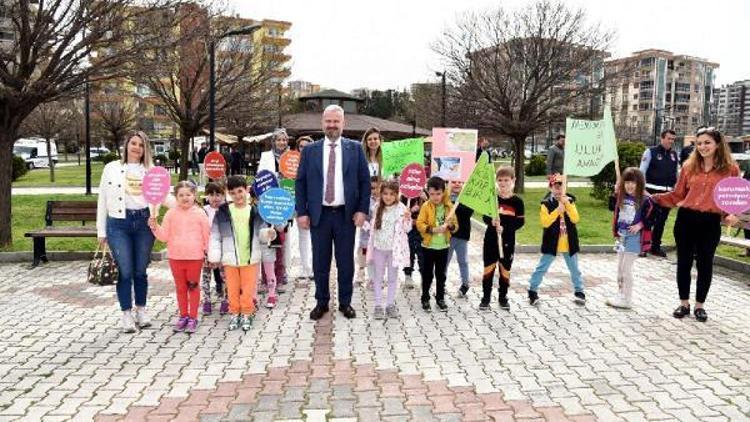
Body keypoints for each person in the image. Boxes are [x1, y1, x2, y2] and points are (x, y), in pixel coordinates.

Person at [652, 127, 740, 322]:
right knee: (683, 262)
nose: (702, 147)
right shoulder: (688, 167)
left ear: (718, 144)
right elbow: (678, 195)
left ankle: (700, 306)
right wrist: (653, 198)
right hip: (686, 219)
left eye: (707, 143)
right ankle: (684, 303)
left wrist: (732, 214)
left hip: (709, 223)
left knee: (705, 264)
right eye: (699, 143)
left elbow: (732, 199)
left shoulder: (731, 169)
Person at [295, 105, 371, 320]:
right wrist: (302, 212)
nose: (332, 125)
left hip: (346, 215)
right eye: (328, 121)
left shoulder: (355, 149)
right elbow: (300, 183)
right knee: (320, 261)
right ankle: (322, 302)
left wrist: (362, 210)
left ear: (343, 123)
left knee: (345, 261)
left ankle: (346, 303)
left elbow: (365, 183)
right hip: (319, 215)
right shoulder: (310, 151)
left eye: (336, 121)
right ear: (322, 123)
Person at [96, 131, 174, 333]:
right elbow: (102, 200)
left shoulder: (152, 171)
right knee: (125, 271)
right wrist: (101, 231)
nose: (136, 147)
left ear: (145, 148)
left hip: (143, 223)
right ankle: (126, 314)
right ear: (126, 145)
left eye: (141, 144)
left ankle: (141, 309)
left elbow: (165, 196)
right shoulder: (111, 168)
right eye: (133, 143)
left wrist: (186, 205)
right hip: (118, 224)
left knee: (140, 271)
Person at [208, 175, 275, 331]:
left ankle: (247, 313)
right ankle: (234, 313)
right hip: (230, 259)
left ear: (246, 190)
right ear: (228, 193)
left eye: (240, 191)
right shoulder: (223, 212)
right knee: (231, 288)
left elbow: (261, 232)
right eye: (233, 192)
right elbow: (215, 234)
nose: (237, 195)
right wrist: (215, 255)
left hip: (251, 259)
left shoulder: (255, 211)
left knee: (248, 288)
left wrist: (268, 234)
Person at [148, 181, 210, 334]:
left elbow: (207, 235)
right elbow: (164, 236)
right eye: (181, 195)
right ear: (176, 197)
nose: (185, 198)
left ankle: (193, 317)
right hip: (175, 257)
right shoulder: (171, 214)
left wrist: (208, 253)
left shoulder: (200, 213)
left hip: (195, 257)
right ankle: (183, 316)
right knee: (181, 288)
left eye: (188, 194)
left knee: (193, 287)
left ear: (194, 195)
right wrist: (154, 226)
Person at [527, 174, 585, 305]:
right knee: (542, 268)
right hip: (552, 242)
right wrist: (557, 211)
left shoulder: (570, 201)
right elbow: (545, 222)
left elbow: (575, 219)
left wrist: (567, 205)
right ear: (550, 188)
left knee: (574, 268)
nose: (559, 190)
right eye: (556, 187)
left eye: (561, 187)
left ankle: (579, 291)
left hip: (568, 243)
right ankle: (532, 290)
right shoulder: (546, 204)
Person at [606, 168, 658, 309]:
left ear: (639, 183)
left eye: (633, 182)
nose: (629, 185)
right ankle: (620, 294)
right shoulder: (621, 196)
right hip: (621, 237)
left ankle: (627, 299)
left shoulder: (646, 199)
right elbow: (611, 208)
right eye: (627, 182)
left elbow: (654, 217)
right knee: (619, 269)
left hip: (634, 238)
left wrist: (640, 225)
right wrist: (615, 192)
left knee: (626, 269)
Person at [480, 166, 525, 311]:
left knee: (505, 269)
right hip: (491, 240)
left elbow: (520, 221)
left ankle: (503, 297)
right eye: (500, 180)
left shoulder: (517, 202)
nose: (503, 183)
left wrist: (505, 228)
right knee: (488, 269)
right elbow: (485, 216)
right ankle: (486, 298)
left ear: (513, 180)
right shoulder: (492, 199)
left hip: (507, 241)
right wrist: (491, 221)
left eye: (506, 180)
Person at [366, 180, 411, 319]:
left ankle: (390, 305)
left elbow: (407, 229)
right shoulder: (377, 207)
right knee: (378, 278)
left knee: (392, 279)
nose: (388, 197)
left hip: (394, 251)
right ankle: (378, 305)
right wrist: (363, 225)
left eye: (392, 194)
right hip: (379, 248)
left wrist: (407, 219)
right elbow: (372, 228)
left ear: (397, 195)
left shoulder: (402, 208)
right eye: (385, 193)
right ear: (381, 194)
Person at [416, 176, 458, 312]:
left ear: (443, 192)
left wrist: (450, 226)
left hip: (443, 247)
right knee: (427, 274)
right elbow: (419, 223)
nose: (435, 197)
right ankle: (425, 297)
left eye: (438, 193)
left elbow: (455, 226)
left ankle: (440, 298)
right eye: (432, 194)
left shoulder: (449, 207)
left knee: (441, 274)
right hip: (428, 247)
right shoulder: (425, 206)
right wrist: (432, 229)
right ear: (428, 192)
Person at [258, 128, 291, 289]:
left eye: (284, 140)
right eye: (278, 140)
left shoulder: (292, 157)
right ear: (273, 141)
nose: (281, 143)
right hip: (268, 201)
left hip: (284, 202)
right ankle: (266, 277)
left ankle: (280, 274)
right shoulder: (266, 156)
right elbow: (260, 177)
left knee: (281, 240)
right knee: (267, 239)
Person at [639, 129, 679, 258]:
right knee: (648, 221)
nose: (671, 141)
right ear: (662, 138)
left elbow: (676, 174)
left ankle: (655, 247)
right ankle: (643, 247)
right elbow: (641, 172)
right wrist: (642, 190)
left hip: (667, 195)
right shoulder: (650, 152)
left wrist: (676, 189)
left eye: (673, 139)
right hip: (651, 193)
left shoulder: (674, 154)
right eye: (669, 138)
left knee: (661, 222)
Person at [201, 182, 228, 315]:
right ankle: (207, 301)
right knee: (206, 277)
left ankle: (225, 300)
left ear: (223, 195)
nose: (215, 198)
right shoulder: (203, 211)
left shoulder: (226, 210)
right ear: (207, 196)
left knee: (224, 277)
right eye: (211, 194)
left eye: (218, 194)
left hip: (222, 249)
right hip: (207, 249)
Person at [445, 180, 473, 297]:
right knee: (445, 261)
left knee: (463, 261)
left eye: (460, 182)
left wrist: (454, 205)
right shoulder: (444, 198)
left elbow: (467, 212)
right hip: (448, 236)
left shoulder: (467, 199)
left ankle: (465, 284)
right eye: (454, 182)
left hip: (462, 236)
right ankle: (441, 284)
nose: (457, 184)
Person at [295, 136, 314, 280]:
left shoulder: (318, 162)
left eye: (307, 146)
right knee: (303, 237)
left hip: (315, 204)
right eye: (301, 146)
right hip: (300, 204)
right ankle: (304, 266)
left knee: (316, 238)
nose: (304, 149)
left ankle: (314, 267)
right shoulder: (290, 164)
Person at [357, 176, 381, 285]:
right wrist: (368, 225)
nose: (375, 190)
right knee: (364, 252)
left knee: (375, 257)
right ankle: (361, 271)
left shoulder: (384, 201)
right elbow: (361, 217)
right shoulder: (365, 200)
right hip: (366, 235)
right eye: (372, 188)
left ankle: (373, 277)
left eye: (377, 188)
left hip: (379, 235)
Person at [402, 192, 425, 290]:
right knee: (409, 252)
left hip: (422, 230)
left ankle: (424, 276)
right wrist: (410, 212)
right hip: (409, 230)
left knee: (422, 253)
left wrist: (426, 200)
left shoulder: (426, 194)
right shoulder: (404, 195)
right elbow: (400, 214)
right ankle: (408, 275)